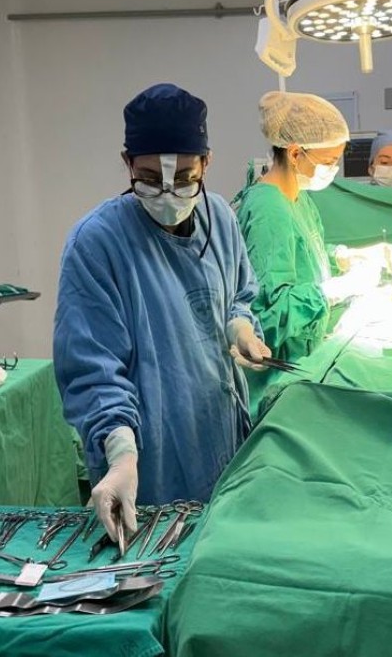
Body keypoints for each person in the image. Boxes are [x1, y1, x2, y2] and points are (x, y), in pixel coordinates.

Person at [54, 83, 271, 541]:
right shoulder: (97, 243)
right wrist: (121, 458)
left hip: (218, 434)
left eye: (185, 176)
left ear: (207, 162)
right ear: (127, 162)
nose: (168, 193)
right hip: (151, 457)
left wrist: (239, 326)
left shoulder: (220, 218)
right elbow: (93, 370)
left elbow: (240, 294)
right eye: (150, 178)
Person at [234, 91, 392, 368]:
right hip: (278, 367)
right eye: (329, 161)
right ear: (295, 153)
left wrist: (344, 257)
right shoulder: (268, 210)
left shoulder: (298, 196)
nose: (334, 169)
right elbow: (267, 318)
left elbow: (303, 253)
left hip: (305, 353)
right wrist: (333, 290)